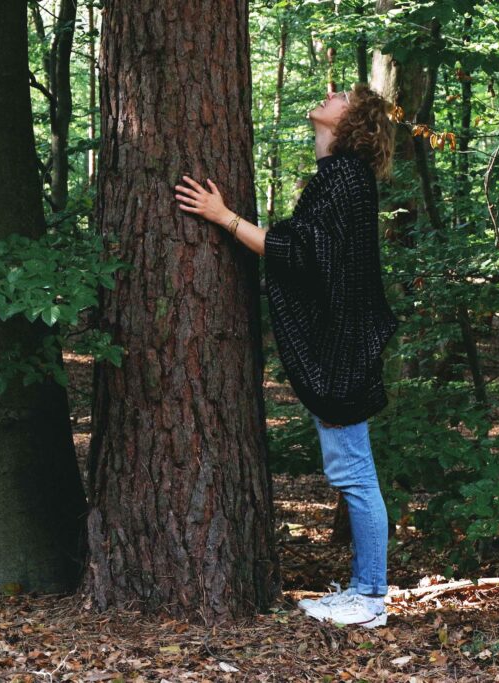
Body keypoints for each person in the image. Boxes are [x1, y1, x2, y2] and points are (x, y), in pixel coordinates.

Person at [173, 83, 399, 629]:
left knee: (355, 475)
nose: (330, 92)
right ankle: (365, 592)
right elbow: (313, 252)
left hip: (343, 351)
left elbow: (299, 254)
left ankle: (369, 597)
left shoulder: (345, 178)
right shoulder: (340, 179)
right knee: (354, 472)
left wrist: (222, 217)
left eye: (342, 93)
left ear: (352, 122)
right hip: (343, 348)